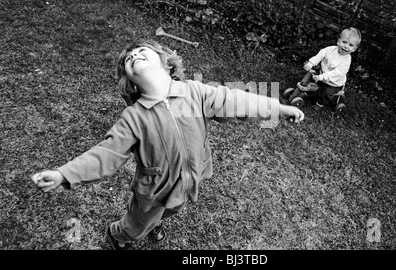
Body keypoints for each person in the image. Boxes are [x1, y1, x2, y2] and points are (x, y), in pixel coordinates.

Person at [31, 40, 304, 250]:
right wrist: (63, 174)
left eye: (141, 51)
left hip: (189, 178)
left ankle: (155, 223)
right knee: (138, 223)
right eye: (128, 59)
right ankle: (119, 234)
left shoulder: (195, 92)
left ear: (166, 63)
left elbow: (235, 100)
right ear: (130, 81)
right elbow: (106, 154)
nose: (134, 55)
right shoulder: (134, 117)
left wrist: (276, 108)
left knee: (173, 210)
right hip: (153, 191)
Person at [303, 27, 361, 110]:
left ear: (354, 49)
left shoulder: (346, 61)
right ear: (338, 41)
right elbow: (320, 55)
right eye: (344, 42)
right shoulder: (330, 50)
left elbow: (336, 73)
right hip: (323, 76)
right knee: (313, 79)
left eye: (350, 45)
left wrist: (321, 77)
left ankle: (320, 103)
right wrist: (310, 63)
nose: (346, 46)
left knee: (326, 93)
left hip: (334, 83)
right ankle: (309, 92)